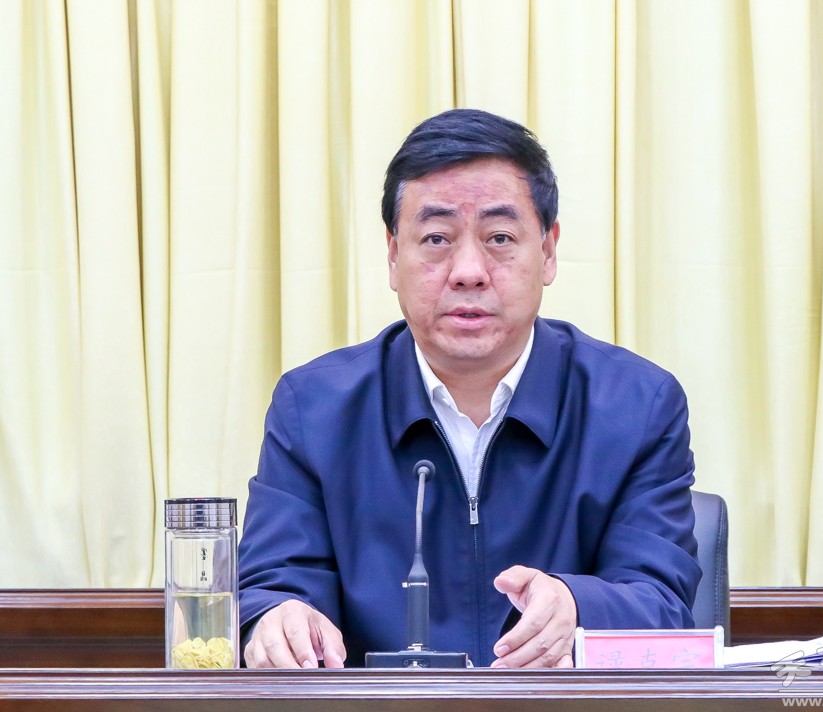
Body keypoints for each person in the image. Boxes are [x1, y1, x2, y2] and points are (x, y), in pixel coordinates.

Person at [238, 108, 701, 669]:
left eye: (500, 238)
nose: (468, 271)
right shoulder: (313, 409)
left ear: (548, 251)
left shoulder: (636, 405)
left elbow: (662, 603)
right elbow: (271, 584)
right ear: (393, 255)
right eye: (436, 238)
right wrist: (277, 618)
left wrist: (576, 606)